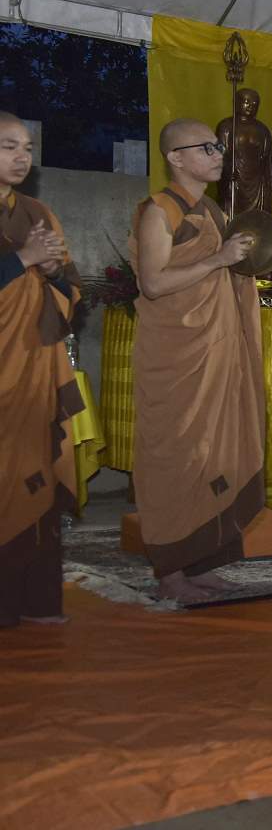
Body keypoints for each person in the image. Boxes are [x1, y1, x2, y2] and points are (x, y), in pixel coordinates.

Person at [130, 118, 263, 605]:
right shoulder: (158, 211)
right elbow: (153, 283)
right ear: (175, 158)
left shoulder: (210, 209)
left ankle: (202, 564)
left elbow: (225, 268)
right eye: (205, 147)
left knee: (215, 453)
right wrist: (217, 260)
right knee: (179, 456)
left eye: (217, 147)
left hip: (215, 351)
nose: (217, 154)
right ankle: (171, 574)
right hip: (176, 357)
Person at [0, 111, 80, 628]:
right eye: (8, 146)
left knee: (36, 476)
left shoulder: (36, 211)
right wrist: (22, 259)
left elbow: (71, 288)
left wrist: (51, 271)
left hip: (32, 367)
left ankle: (36, 599)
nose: (22, 157)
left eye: (27, 147)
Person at [214, 88, 272, 216]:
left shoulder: (263, 130)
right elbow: (220, 154)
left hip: (257, 182)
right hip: (235, 179)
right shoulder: (226, 126)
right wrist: (227, 172)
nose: (251, 106)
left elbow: (266, 157)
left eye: (255, 103)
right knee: (231, 217)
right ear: (236, 102)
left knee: (256, 218)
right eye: (246, 102)